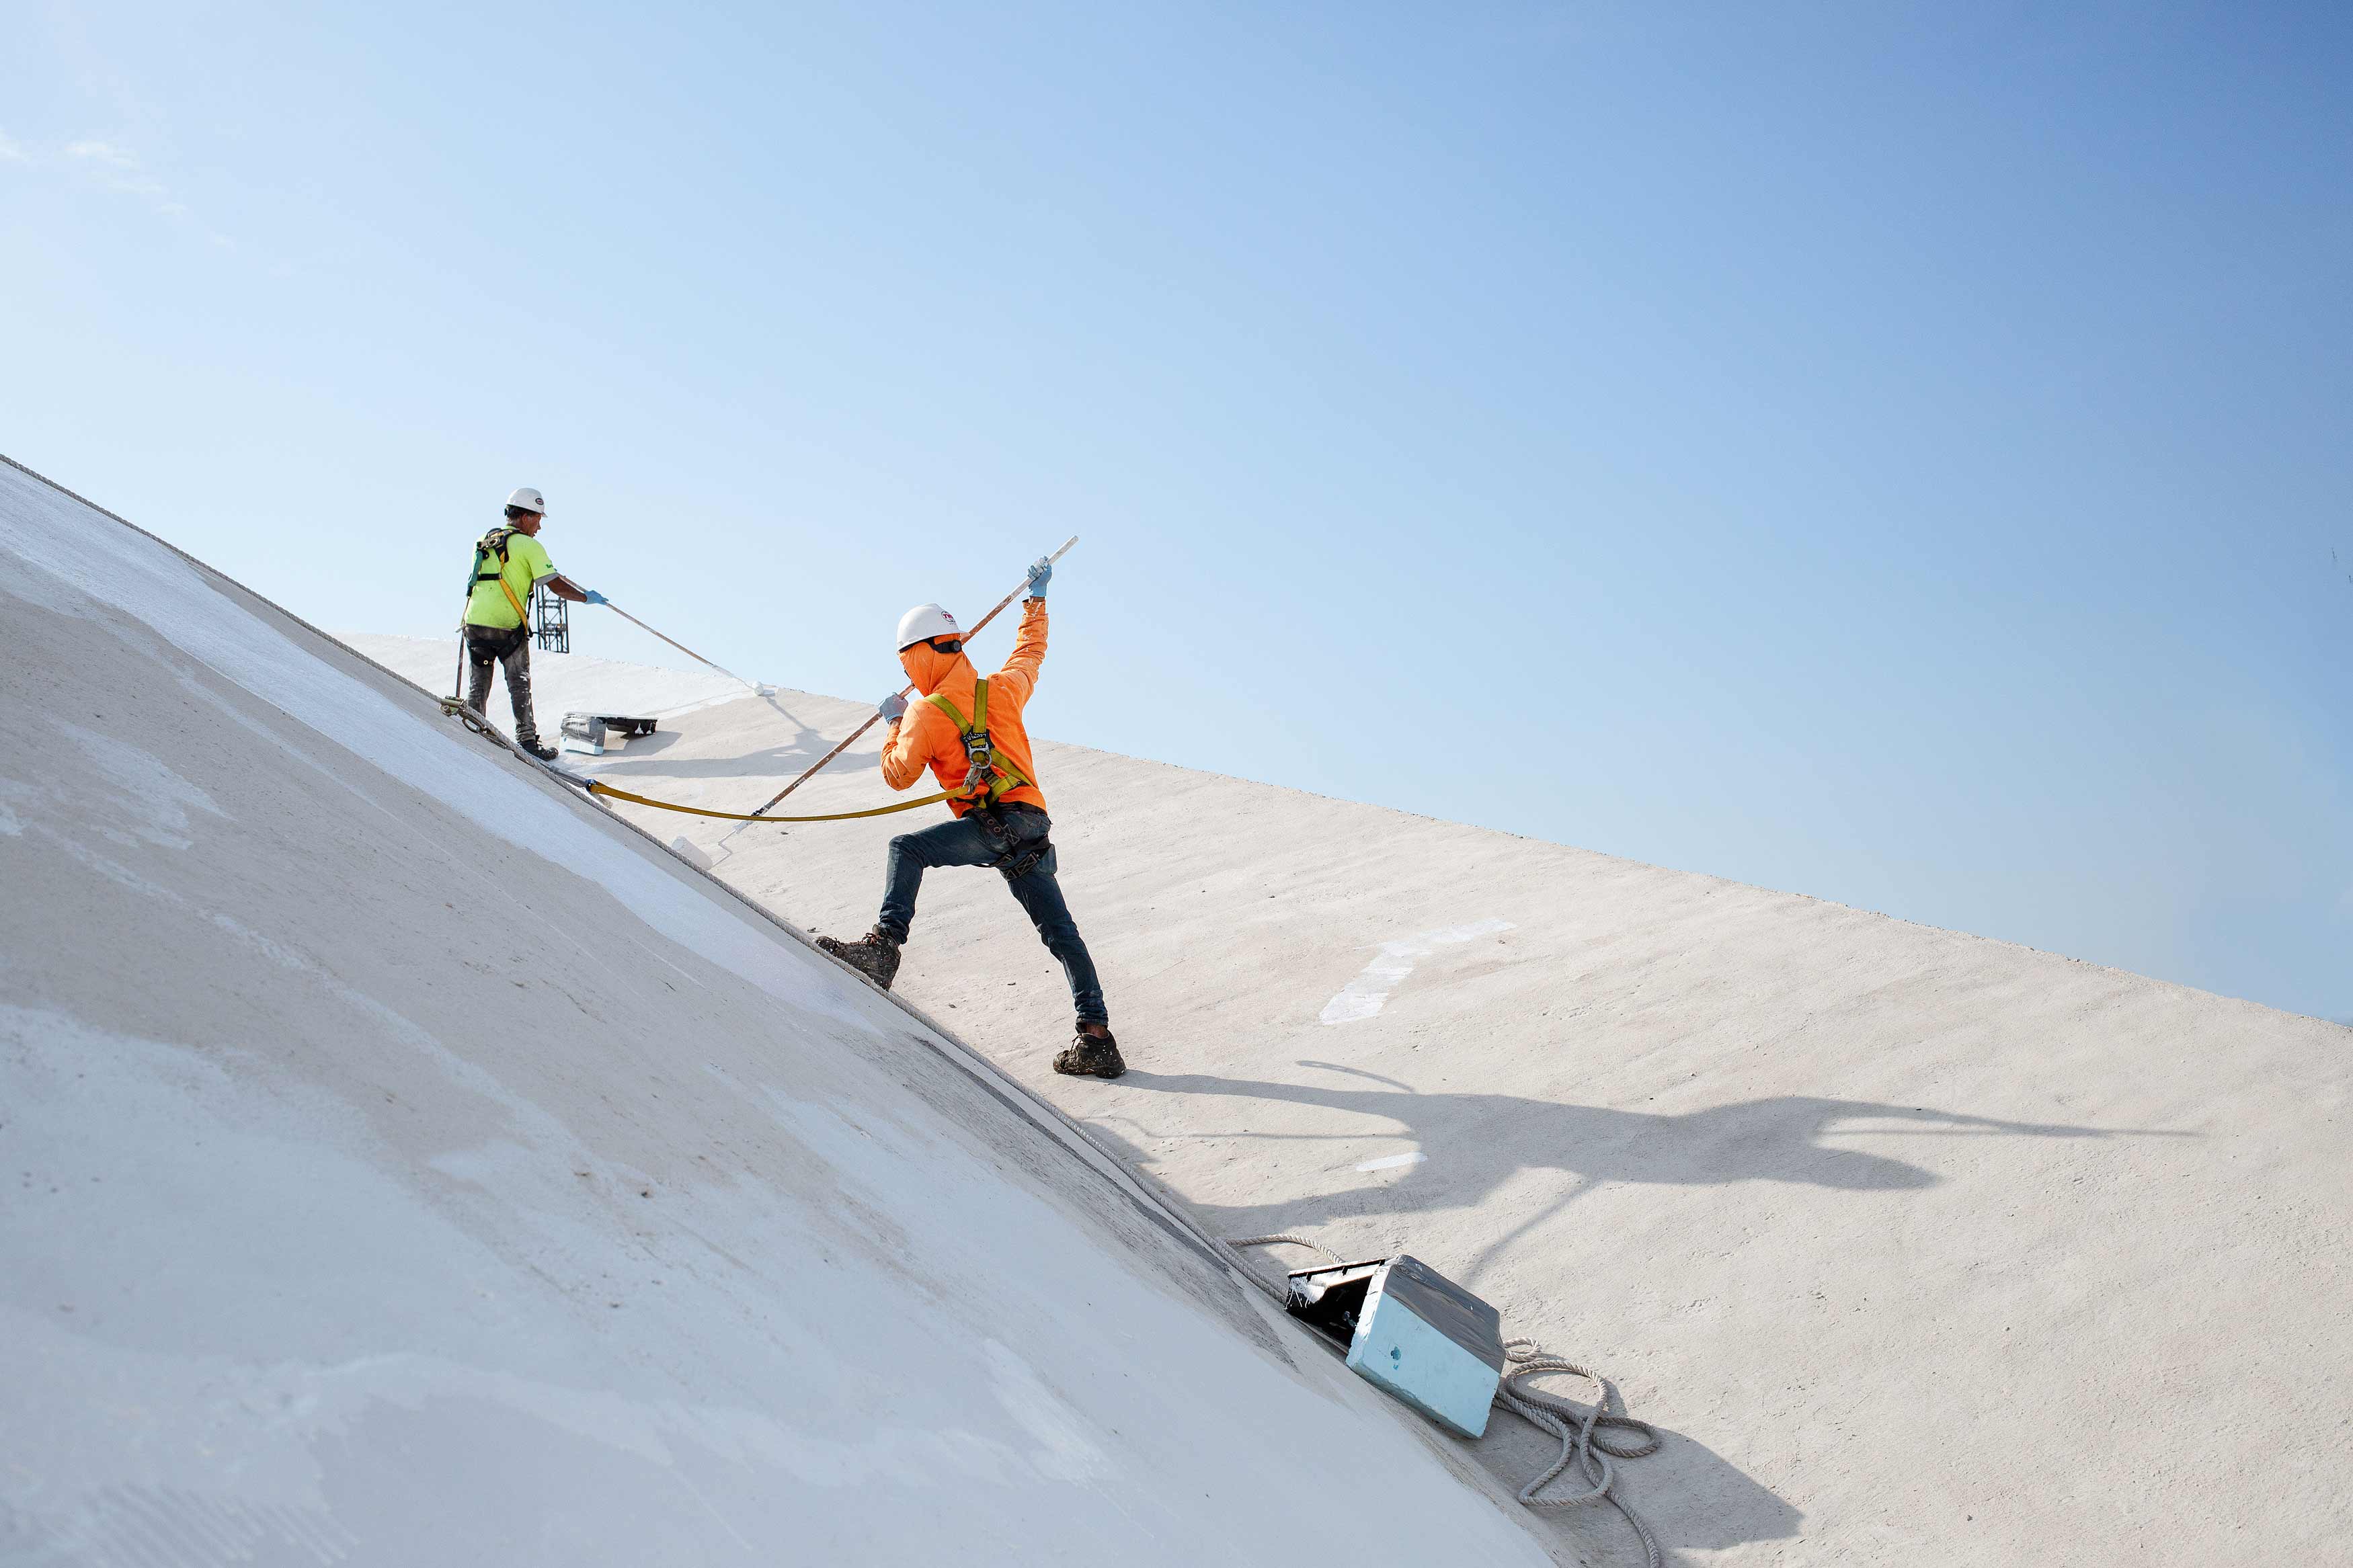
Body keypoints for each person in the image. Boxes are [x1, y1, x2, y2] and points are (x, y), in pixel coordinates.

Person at [817, 557, 1124, 1079]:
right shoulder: (1002, 689)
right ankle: (1097, 1038)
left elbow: (898, 775)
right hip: (1032, 824)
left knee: (906, 849)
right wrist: (1037, 601)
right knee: (1061, 932)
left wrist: (893, 724)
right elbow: (1031, 653)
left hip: (991, 827)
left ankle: (883, 950)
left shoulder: (925, 712)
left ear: (915, 657)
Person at [462, 487, 602, 760]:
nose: (539, 526)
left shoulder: (484, 539)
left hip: (475, 624)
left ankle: (472, 731)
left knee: (478, 683)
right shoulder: (529, 546)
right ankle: (527, 740)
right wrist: (586, 598)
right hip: (507, 628)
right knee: (519, 683)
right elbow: (557, 587)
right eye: (538, 519)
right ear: (525, 517)